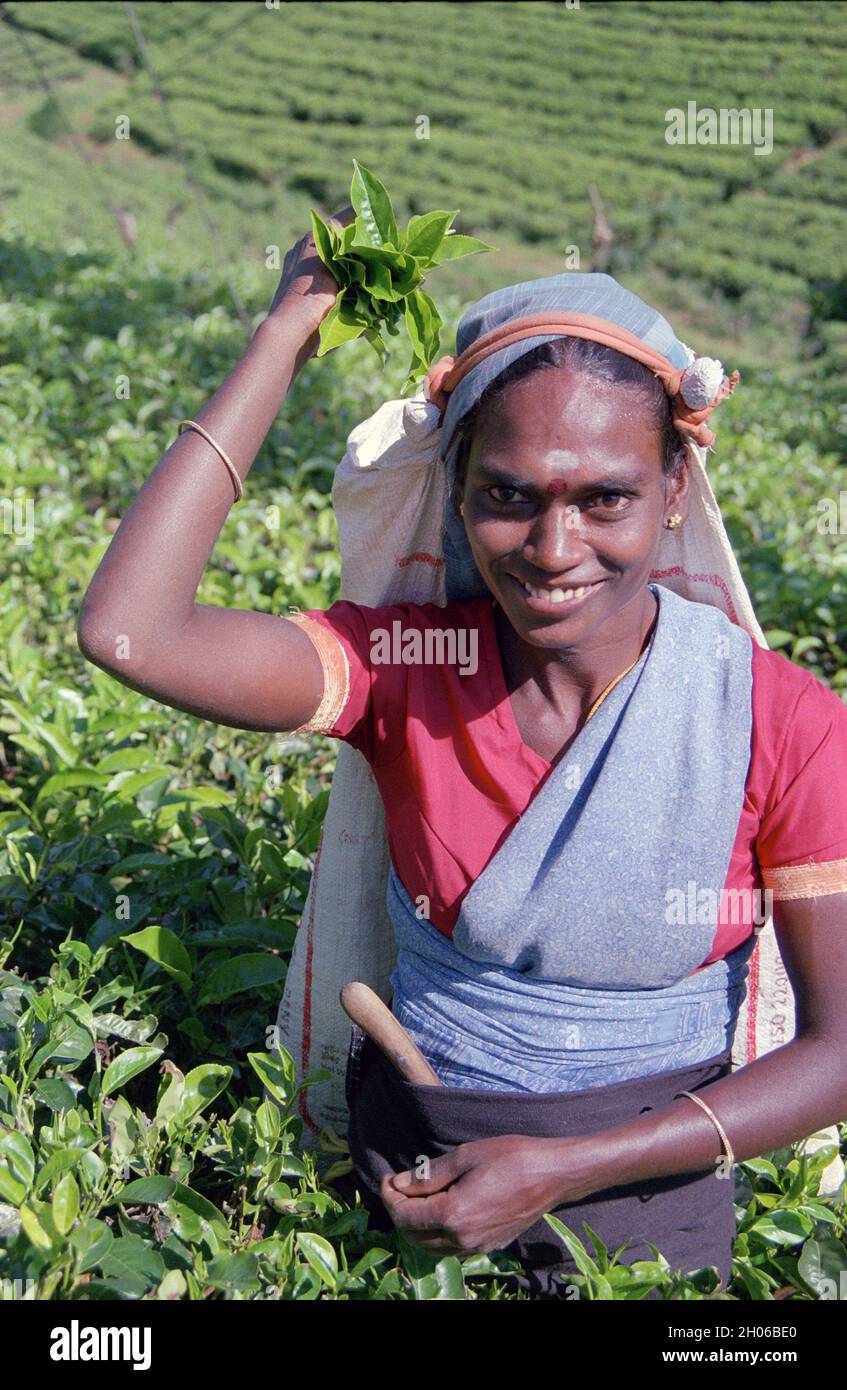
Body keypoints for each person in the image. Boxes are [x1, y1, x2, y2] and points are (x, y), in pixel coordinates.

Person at [77, 211, 847, 1298]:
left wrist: (563, 1167)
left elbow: (841, 1047)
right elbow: (128, 632)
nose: (552, 548)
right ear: (458, 489)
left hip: (645, 1228)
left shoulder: (783, 720)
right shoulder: (405, 665)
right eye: (507, 497)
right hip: (400, 1198)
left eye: (605, 498)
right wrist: (283, 338)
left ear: (676, 488)